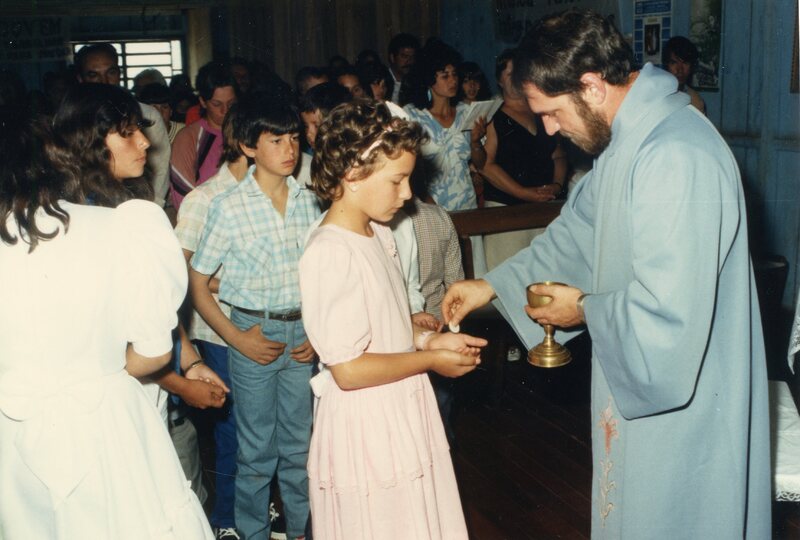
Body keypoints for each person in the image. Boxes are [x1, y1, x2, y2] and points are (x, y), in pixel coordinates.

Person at [443, 10, 770, 539]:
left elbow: (670, 312)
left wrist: (583, 309)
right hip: (638, 378)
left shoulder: (675, 154)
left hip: (682, 394)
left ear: (592, 86)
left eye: (552, 112)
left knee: (675, 513)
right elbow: (575, 234)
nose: (549, 129)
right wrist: (490, 284)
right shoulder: (628, 142)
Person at [0, 98, 213, 539]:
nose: (145, 144)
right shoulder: (120, 226)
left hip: (15, 429)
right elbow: (152, 349)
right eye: (127, 132)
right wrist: (99, 372)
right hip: (102, 422)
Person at [299, 99, 484, 539]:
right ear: (352, 175)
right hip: (366, 421)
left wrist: (428, 342)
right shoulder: (330, 252)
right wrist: (430, 361)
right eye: (397, 180)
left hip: (400, 403)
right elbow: (348, 369)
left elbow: (388, 322)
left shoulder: (378, 231)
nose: (407, 194)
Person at [189, 96, 320, 540]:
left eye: (294, 138)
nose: (290, 149)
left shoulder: (310, 202)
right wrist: (236, 338)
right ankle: (252, 533)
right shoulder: (228, 206)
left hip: (302, 334)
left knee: (300, 447)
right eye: (276, 140)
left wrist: (317, 331)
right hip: (252, 334)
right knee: (256, 451)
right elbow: (198, 282)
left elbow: (321, 278)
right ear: (248, 147)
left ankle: (302, 531)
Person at [176, 104, 249, 540]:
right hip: (218, 329)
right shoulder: (204, 199)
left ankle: (251, 509)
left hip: (263, 328)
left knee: (262, 432)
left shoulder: (276, 194)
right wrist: (236, 283)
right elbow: (178, 271)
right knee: (232, 432)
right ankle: (226, 519)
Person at [404, 41, 487, 276]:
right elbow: (410, 170)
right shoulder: (412, 116)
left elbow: (480, 163)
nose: (453, 81)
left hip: (467, 207)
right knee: (439, 276)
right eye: (444, 75)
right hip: (430, 208)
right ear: (429, 79)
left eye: (454, 74)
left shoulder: (466, 112)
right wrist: (431, 206)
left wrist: (475, 142)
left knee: (473, 273)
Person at [480, 48, 567, 269]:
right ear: (499, 80)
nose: (517, 79)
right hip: (506, 211)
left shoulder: (541, 112)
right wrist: (523, 193)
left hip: (543, 208)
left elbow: (558, 155)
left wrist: (556, 185)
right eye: (511, 74)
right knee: (507, 276)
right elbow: (486, 166)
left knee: (545, 274)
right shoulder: (492, 117)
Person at [74, 43, 172, 208]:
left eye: (111, 72)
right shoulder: (74, 119)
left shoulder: (146, 114)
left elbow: (160, 169)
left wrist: (150, 209)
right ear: (81, 79)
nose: (104, 81)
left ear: (119, 74)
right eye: (93, 75)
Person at [169, 61, 238, 210]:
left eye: (231, 104)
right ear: (203, 102)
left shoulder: (245, 133)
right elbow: (184, 197)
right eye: (217, 104)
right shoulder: (189, 138)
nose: (225, 111)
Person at [663, 36, 706, 114]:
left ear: (691, 67)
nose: (680, 70)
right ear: (666, 65)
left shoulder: (695, 101)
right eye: (674, 63)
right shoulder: (656, 96)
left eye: (685, 63)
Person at [387, 32, 419, 103]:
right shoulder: (383, 80)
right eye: (405, 56)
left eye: (412, 57)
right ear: (392, 58)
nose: (409, 61)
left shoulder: (413, 82)